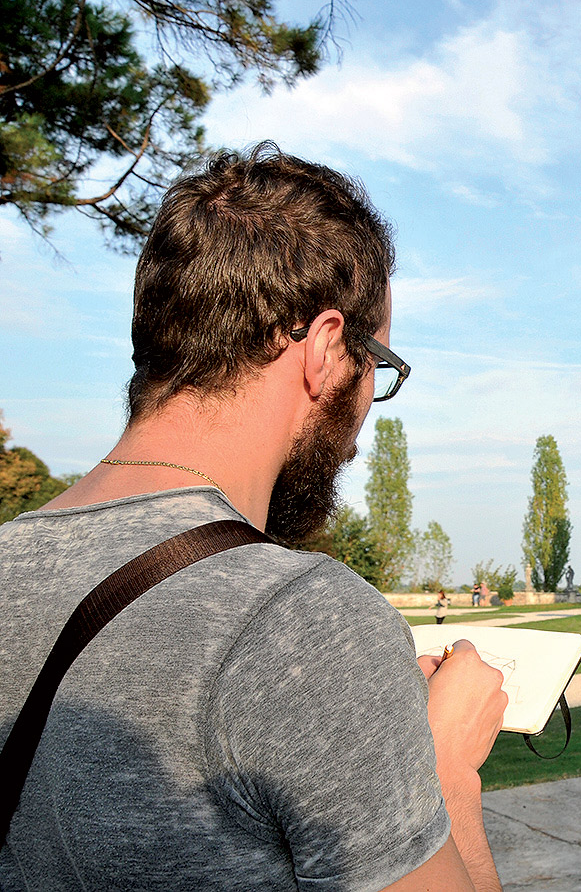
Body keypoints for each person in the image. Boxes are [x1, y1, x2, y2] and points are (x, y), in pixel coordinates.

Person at [0, 144, 507, 891]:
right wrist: (445, 772)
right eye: (379, 368)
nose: (365, 416)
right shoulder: (300, 618)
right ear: (328, 348)